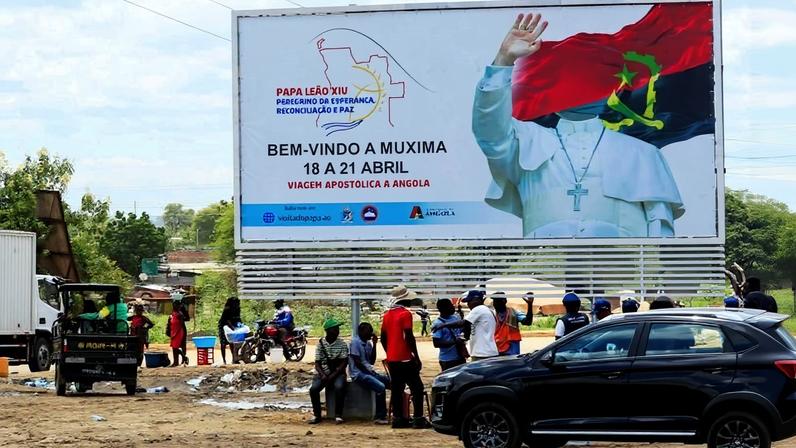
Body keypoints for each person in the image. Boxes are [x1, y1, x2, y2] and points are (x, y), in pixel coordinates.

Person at [472, 13, 683, 238]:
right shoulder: (527, 141)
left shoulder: (643, 154)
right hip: (543, 268)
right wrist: (503, 62)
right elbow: (489, 129)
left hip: (619, 270)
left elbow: (660, 234)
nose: (576, 92)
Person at [381, 285, 430, 429]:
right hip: (406, 358)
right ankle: (418, 418)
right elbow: (409, 336)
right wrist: (416, 356)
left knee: (397, 389)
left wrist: (390, 351)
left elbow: (384, 337)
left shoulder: (387, 315)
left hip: (393, 359)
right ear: (404, 300)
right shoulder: (405, 314)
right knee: (417, 387)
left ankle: (398, 419)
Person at [439, 290, 499, 361]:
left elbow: (463, 323)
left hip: (483, 353)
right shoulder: (486, 310)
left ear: (477, 300)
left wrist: (443, 325)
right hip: (486, 352)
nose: (468, 304)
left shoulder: (479, 308)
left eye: (469, 301)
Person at [309, 318, 349, 425]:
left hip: (337, 373)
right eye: (335, 329)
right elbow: (317, 363)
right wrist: (322, 375)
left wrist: (333, 375)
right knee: (313, 390)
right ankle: (317, 414)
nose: (337, 331)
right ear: (328, 331)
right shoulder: (321, 344)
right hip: (324, 373)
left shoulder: (342, 344)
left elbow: (344, 362)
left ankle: (338, 415)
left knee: (340, 387)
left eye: (337, 329)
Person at [349, 322, 390, 425]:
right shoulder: (355, 342)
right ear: (361, 331)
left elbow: (371, 360)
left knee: (392, 382)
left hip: (369, 371)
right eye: (369, 331)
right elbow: (358, 363)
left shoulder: (368, 343)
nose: (371, 333)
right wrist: (371, 373)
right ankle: (379, 416)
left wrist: (375, 344)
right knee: (380, 387)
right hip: (358, 374)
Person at [492, 291, 534, 356]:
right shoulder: (492, 314)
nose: (495, 304)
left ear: (504, 301)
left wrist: (530, 305)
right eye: (494, 301)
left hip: (512, 349)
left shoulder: (514, 313)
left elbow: (528, 322)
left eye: (498, 301)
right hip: (496, 348)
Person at [431, 298, 467, 371]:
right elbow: (436, 343)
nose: (453, 307)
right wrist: (455, 342)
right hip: (448, 360)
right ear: (443, 308)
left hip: (460, 356)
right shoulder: (437, 324)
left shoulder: (456, 318)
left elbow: (461, 330)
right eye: (450, 306)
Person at [218, 297, 240, 364]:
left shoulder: (237, 309)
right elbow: (226, 320)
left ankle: (234, 359)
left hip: (232, 325)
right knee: (223, 343)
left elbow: (238, 318)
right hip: (223, 326)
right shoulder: (227, 309)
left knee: (232, 342)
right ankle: (224, 360)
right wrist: (232, 327)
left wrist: (240, 325)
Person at [168, 302, 187, 367]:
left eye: (177, 305)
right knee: (174, 348)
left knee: (176, 347)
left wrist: (176, 333)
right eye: (174, 305)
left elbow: (181, 325)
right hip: (173, 331)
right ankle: (175, 362)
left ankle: (183, 357)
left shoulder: (180, 314)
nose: (175, 307)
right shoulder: (172, 314)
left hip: (178, 332)